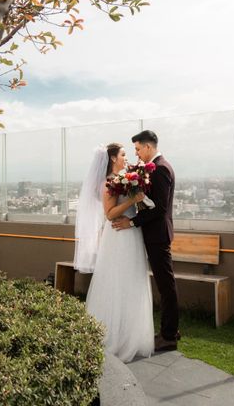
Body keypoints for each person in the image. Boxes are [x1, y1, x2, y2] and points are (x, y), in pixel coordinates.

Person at [75, 143, 154, 362]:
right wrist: (132, 199)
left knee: (132, 282)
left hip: (132, 235)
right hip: (118, 236)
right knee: (116, 283)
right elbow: (109, 214)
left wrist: (139, 198)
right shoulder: (109, 182)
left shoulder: (125, 178)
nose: (126, 157)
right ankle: (113, 336)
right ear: (112, 159)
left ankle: (131, 335)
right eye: (123, 154)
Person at [112, 130, 179, 351]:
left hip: (158, 235)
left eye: (138, 149)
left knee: (166, 286)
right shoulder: (158, 167)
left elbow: (158, 208)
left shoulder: (160, 169)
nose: (137, 154)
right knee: (165, 284)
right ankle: (170, 330)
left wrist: (131, 222)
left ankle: (169, 335)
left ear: (148, 147)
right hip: (156, 234)